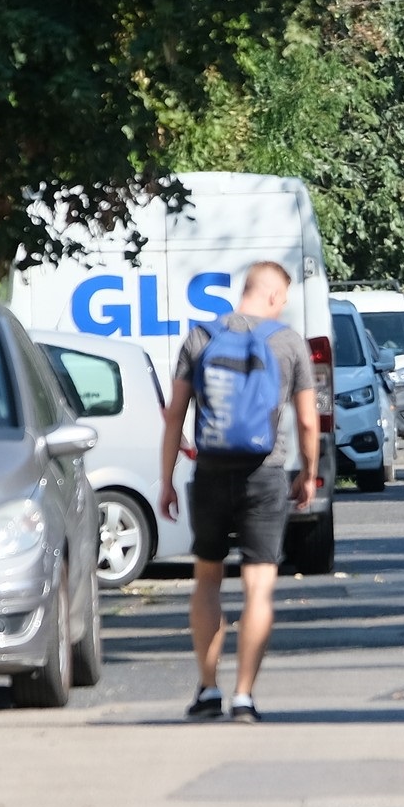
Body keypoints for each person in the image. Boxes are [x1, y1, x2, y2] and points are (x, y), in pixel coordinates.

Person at [157, 262, 320, 723]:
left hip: (209, 472)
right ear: (271, 295)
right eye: (283, 298)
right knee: (259, 588)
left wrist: (166, 478)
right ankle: (245, 696)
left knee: (207, 579)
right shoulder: (288, 342)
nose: (282, 306)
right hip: (265, 475)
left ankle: (208, 689)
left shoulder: (199, 338)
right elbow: (308, 420)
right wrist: (307, 474)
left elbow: (174, 415)